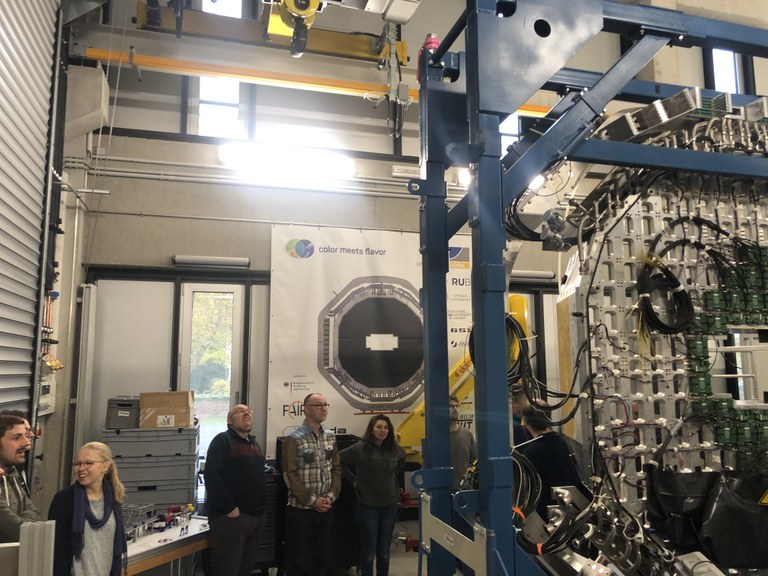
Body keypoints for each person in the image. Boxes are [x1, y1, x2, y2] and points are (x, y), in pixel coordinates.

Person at [281, 393, 341, 576]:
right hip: (301, 509)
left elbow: (336, 469)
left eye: (325, 404)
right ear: (306, 409)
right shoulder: (294, 438)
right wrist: (313, 501)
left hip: (326, 506)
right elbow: (289, 474)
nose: (323, 408)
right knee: (297, 559)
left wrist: (330, 497)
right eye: (318, 405)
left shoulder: (330, 436)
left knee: (320, 556)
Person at [204, 404, 267, 576]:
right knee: (227, 570)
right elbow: (211, 476)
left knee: (245, 570)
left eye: (249, 411)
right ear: (229, 420)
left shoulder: (254, 444)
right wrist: (229, 508)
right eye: (240, 411)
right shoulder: (222, 441)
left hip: (255, 517)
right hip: (232, 519)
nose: (246, 413)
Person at [47, 441, 127, 576]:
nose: (81, 468)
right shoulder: (64, 500)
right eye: (78, 464)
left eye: (88, 463)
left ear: (105, 466)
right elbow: (57, 551)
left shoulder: (113, 499)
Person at [340, 414, 405, 576]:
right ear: (372, 429)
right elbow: (338, 460)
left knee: (384, 552)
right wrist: (354, 480)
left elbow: (401, 461)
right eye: (379, 427)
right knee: (368, 552)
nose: (382, 431)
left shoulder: (395, 449)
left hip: (389, 506)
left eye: (385, 428)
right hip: (367, 507)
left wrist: (393, 479)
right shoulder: (361, 448)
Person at [518, 404, 591, 520]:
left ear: (526, 424)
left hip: (548, 518)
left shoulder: (530, 453)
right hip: (574, 512)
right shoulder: (567, 443)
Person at [0, 413, 38, 542]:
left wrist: (26, 523)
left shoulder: (11, 472)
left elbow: (33, 511)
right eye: (17, 438)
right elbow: (16, 532)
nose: (26, 443)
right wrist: (27, 525)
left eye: (25, 436)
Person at [0, 410, 34, 496]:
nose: (26, 441)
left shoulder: (12, 471)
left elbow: (27, 506)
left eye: (25, 433)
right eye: (17, 438)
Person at [449, 394, 476, 491]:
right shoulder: (436, 437)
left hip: (464, 492)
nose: (455, 409)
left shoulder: (467, 435)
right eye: (450, 406)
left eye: (456, 406)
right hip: (442, 493)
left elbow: (474, 463)